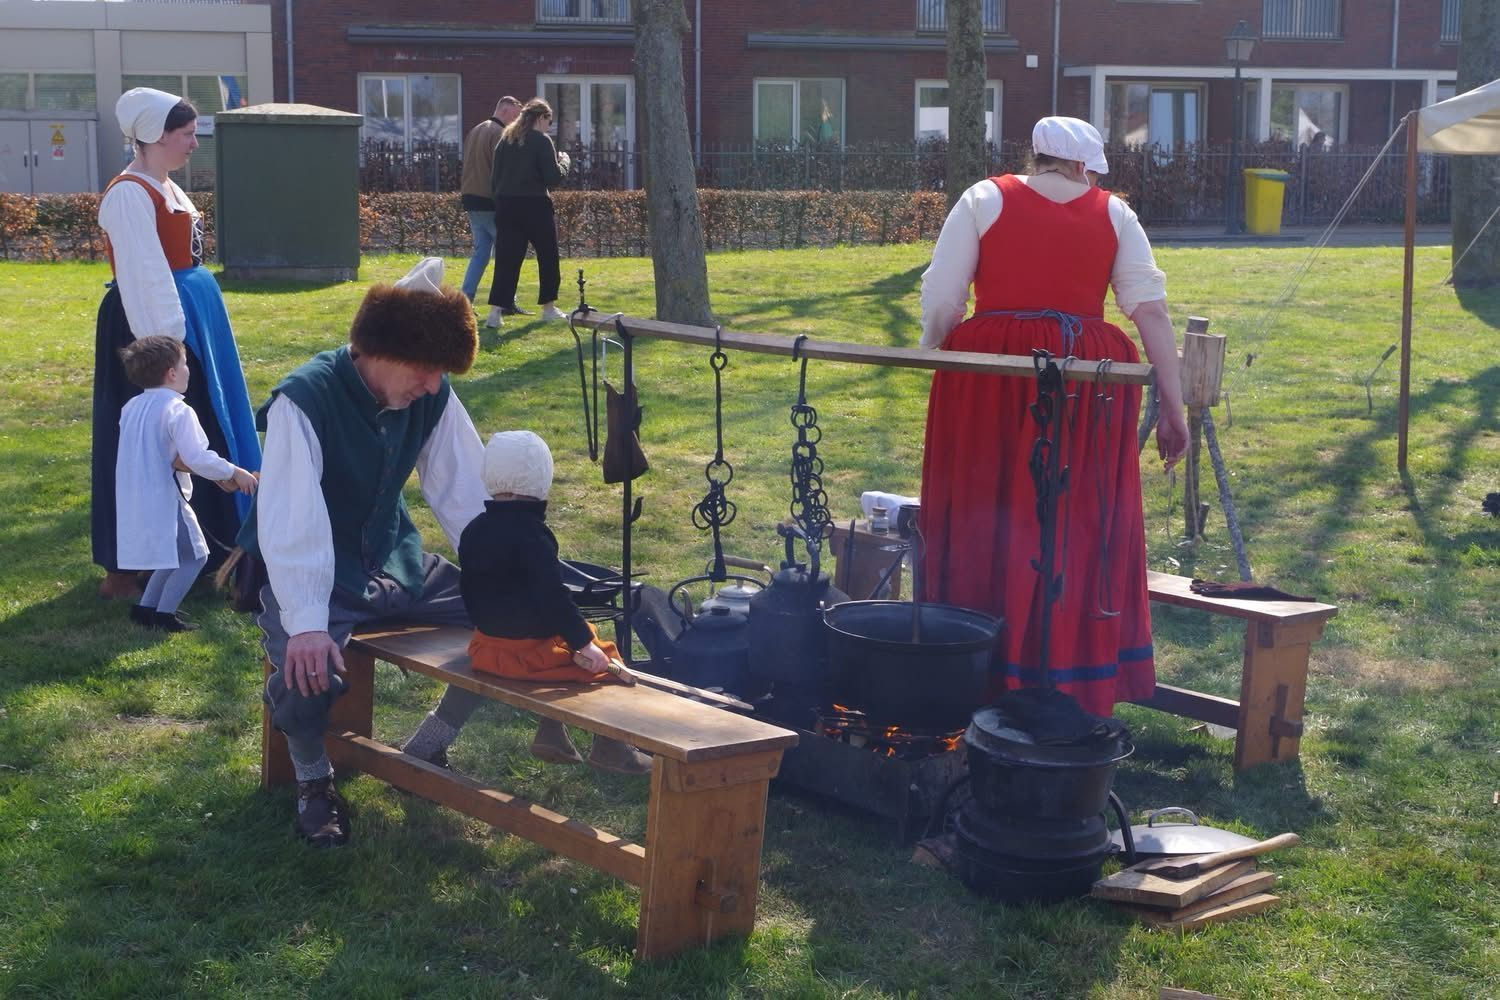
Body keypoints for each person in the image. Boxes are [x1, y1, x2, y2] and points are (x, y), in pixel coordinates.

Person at [917, 115, 1188, 718]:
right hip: (1082, 377)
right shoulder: (1115, 214)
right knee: (1077, 513)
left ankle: (972, 663)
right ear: (1085, 165)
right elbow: (1150, 311)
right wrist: (1175, 407)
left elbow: (943, 296)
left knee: (984, 502)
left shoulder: (984, 198)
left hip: (992, 372)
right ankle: (1067, 674)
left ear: (1034, 155)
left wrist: (940, 349)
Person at [238, 257, 493, 848]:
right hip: (306, 570)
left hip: (391, 560)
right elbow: (292, 519)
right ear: (382, 351)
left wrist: (506, 575)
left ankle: (428, 746)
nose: (434, 385)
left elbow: (466, 492)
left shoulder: (430, 395)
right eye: (427, 369)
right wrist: (306, 623)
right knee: (307, 669)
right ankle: (314, 782)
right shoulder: (305, 399)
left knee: (508, 616)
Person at [93, 87, 261, 599]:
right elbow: (144, 273)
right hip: (151, 324)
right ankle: (131, 564)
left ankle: (210, 545)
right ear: (155, 135)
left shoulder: (164, 186)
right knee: (151, 440)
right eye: (186, 134)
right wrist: (168, 349)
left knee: (203, 426)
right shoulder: (129, 194)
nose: (193, 143)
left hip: (193, 316)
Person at [460, 430, 651, 775]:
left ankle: (553, 733)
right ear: (540, 477)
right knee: (604, 659)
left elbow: (470, 590)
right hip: (524, 657)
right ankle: (612, 748)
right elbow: (552, 596)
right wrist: (584, 643)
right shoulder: (532, 534)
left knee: (573, 647)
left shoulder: (474, 529)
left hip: (485, 648)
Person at [116, 335, 258, 632]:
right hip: (165, 496)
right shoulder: (178, 410)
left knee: (174, 556)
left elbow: (163, 453)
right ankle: (164, 615)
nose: (187, 369)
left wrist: (215, 473)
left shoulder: (131, 407)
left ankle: (145, 610)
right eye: (184, 364)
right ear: (171, 373)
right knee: (195, 556)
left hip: (136, 495)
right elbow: (196, 457)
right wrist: (234, 472)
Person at [485, 97, 571, 329]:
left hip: (506, 205)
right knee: (547, 256)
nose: (549, 126)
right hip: (535, 205)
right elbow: (553, 178)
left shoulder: (505, 140)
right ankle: (548, 308)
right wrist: (565, 162)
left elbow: (494, 179)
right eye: (549, 121)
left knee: (506, 260)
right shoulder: (541, 141)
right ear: (541, 118)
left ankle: (495, 313)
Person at [459, 95, 523, 309]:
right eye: (515, 116)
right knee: (508, 252)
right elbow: (502, 172)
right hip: (490, 201)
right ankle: (505, 302)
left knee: (481, 254)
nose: (516, 121)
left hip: (471, 199)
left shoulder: (475, 130)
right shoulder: (499, 134)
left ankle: (465, 300)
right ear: (504, 111)